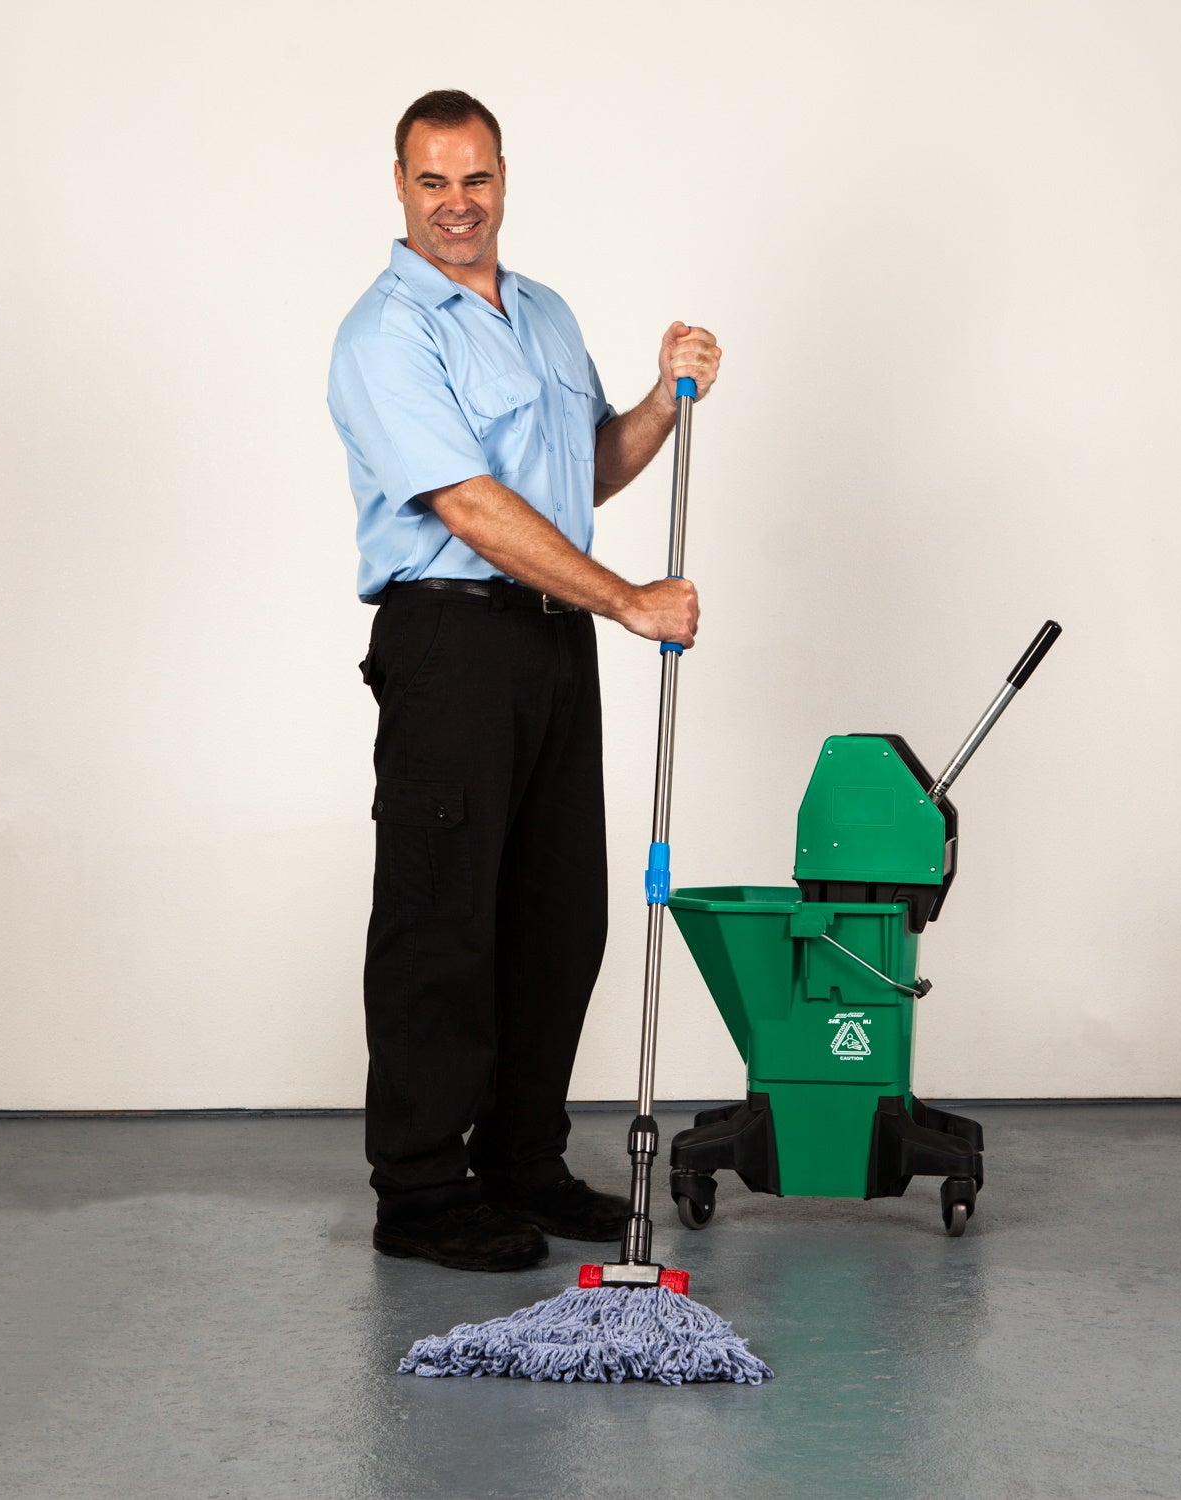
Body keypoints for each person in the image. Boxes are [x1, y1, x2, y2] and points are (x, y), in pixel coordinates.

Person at [327, 90, 721, 1272]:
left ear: (506, 179)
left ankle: (521, 1161)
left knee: (556, 917)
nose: (458, 205)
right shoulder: (386, 334)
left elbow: (579, 473)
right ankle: (422, 1189)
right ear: (400, 185)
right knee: (441, 919)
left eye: (477, 179)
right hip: (450, 640)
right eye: (434, 182)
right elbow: (470, 506)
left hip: (554, 640)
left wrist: (663, 398)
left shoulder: (544, 316)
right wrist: (629, 600)